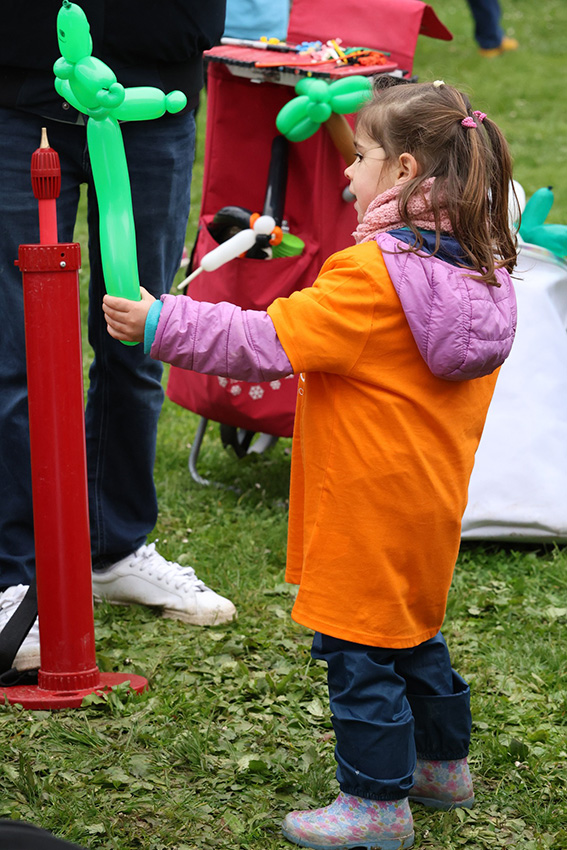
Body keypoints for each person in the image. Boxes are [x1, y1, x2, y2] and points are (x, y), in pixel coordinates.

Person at [102, 79, 518, 849]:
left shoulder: (372, 278)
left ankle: (374, 805)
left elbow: (265, 342)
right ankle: (440, 766)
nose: (345, 173)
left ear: (400, 173)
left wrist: (160, 320)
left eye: (357, 157)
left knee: (356, 651)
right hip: (426, 503)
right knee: (411, 634)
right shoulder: (481, 267)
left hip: (360, 503)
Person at [0, 0, 236, 682]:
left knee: (137, 340)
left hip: (149, 102)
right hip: (22, 98)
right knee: (13, 357)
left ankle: (115, 549)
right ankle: (13, 575)